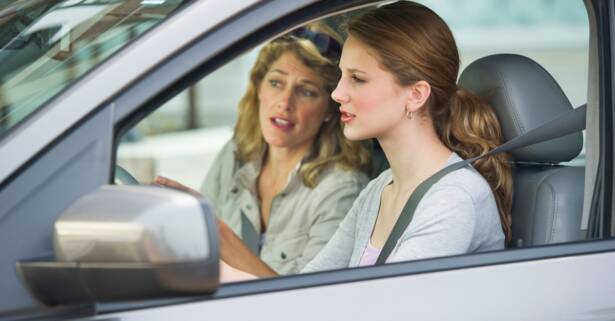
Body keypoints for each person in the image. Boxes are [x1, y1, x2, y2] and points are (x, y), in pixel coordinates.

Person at [301, 1, 513, 272]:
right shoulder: (380, 189)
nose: (337, 93)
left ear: (415, 95)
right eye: (342, 75)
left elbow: (388, 306)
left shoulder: (453, 198)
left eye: (358, 79)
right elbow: (315, 281)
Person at [155, 23, 372, 276]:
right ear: (259, 89)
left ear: (328, 111)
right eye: (276, 83)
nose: (285, 102)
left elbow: (308, 303)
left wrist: (222, 238)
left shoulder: (342, 189)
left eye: (306, 91)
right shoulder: (237, 153)